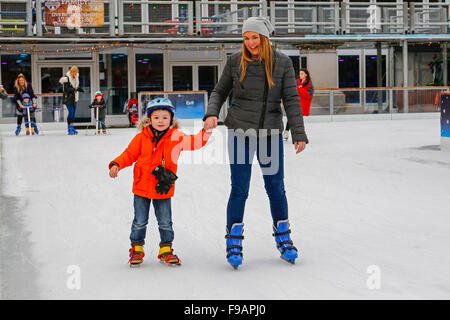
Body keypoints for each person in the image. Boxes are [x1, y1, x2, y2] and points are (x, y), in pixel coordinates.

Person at [203, 16, 309, 268]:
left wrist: (298, 132)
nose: (250, 42)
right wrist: (211, 113)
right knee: (239, 189)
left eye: (255, 37)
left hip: (270, 135)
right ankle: (233, 240)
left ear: (264, 38)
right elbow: (219, 91)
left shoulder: (282, 63)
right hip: (240, 132)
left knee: (276, 188)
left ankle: (284, 238)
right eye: (246, 38)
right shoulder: (235, 62)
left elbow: (292, 99)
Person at [108, 98, 211, 267]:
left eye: (165, 117)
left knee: (165, 222)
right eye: (156, 117)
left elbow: (194, 142)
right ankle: (136, 248)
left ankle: (165, 249)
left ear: (171, 119)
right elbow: (128, 155)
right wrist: (116, 164)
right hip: (141, 187)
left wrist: (206, 132)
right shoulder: (141, 138)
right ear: (149, 120)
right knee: (139, 221)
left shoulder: (176, 137)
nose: (161, 121)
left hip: (162, 188)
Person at [283, 68, 314, 141]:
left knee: (296, 119)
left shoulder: (309, 84)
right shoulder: (296, 82)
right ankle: (287, 133)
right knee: (292, 118)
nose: (300, 75)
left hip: (303, 105)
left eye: (302, 73)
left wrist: (301, 88)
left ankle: (297, 134)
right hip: (294, 103)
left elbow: (308, 95)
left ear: (306, 74)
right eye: (300, 74)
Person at [59, 66, 84, 135]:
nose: (76, 74)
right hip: (69, 98)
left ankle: (72, 127)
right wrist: (75, 89)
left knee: (73, 113)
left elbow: (76, 86)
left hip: (75, 98)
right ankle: (69, 128)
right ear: (72, 72)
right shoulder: (66, 78)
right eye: (75, 72)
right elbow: (66, 89)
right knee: (71, 112)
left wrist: (79, 89)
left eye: (77, 72)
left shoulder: (76, 78)